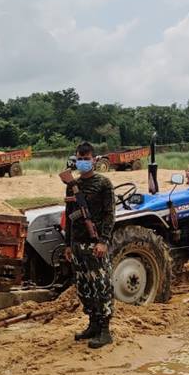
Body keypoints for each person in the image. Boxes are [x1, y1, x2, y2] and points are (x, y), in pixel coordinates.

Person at [62, 142, 116, 348]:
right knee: (84, 288)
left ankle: (105, 330)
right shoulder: (71, 185)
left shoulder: (103, 184)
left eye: (87, 158)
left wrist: (103, 241)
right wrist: (68, 244)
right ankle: (92, 324)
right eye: (80, 159)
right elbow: (69, 217)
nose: (83, 162)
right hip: (77, 245)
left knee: (101, 286)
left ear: (94, 160)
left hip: (95, 245)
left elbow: (110, 215)